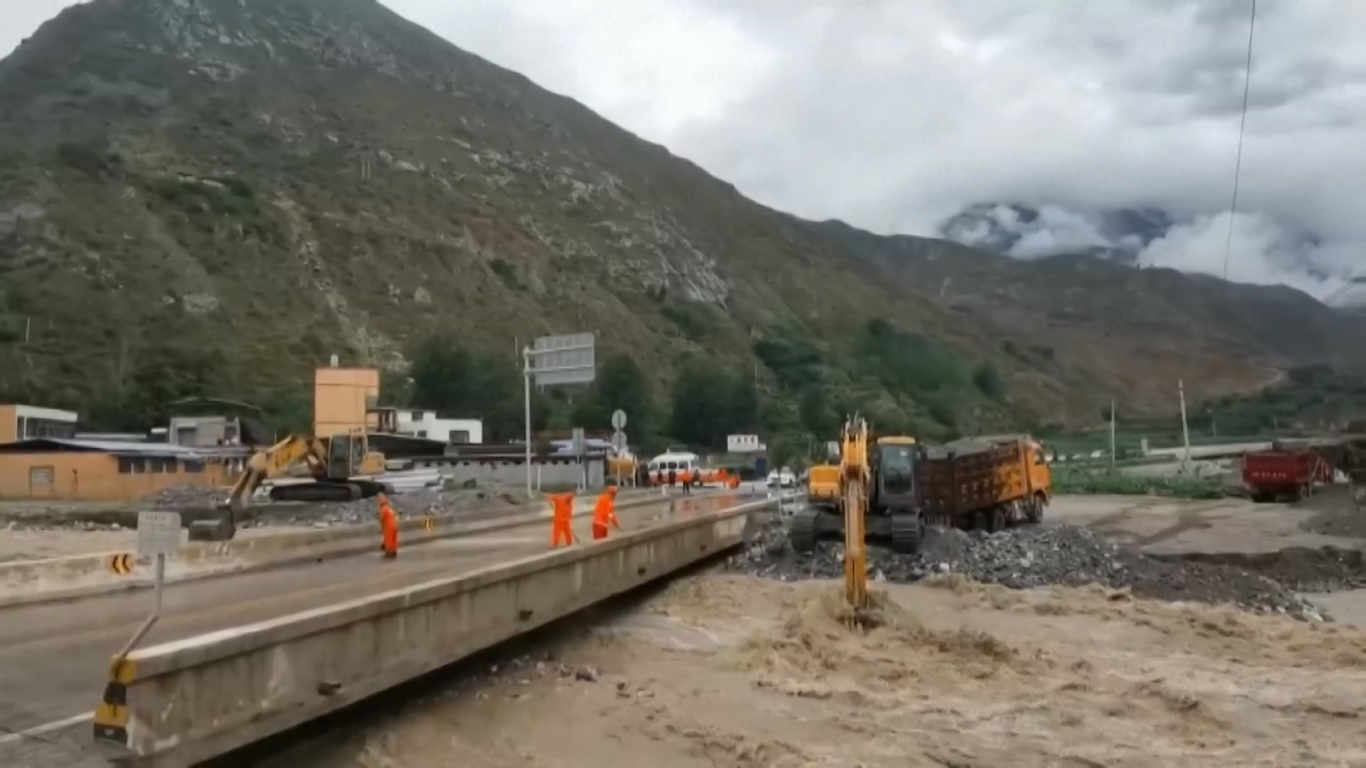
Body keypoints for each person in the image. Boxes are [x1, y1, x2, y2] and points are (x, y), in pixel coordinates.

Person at [377, 494, 398, 559]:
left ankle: (389, 553)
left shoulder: (383, 509)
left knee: (388, 540)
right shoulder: (389, 508)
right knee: (393, 540)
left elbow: (381, 519)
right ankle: (394, 552)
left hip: (388, 527)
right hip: (394, 526)